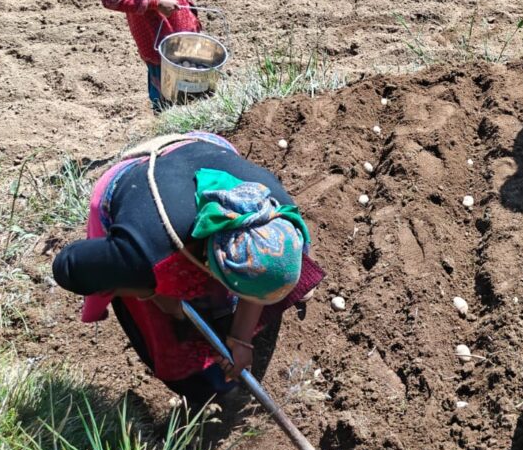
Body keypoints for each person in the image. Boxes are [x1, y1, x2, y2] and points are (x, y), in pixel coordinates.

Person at [52, 132, 324, 405]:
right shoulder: (144, 252)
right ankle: (200, 386)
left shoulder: (280, 212)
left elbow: (258, 271)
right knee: (162, 323)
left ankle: (229, 316)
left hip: (204, 147)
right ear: (210, 263)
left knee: (252, 286)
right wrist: (149, 290)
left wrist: (241, 340)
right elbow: (67, 266)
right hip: (131, 180)